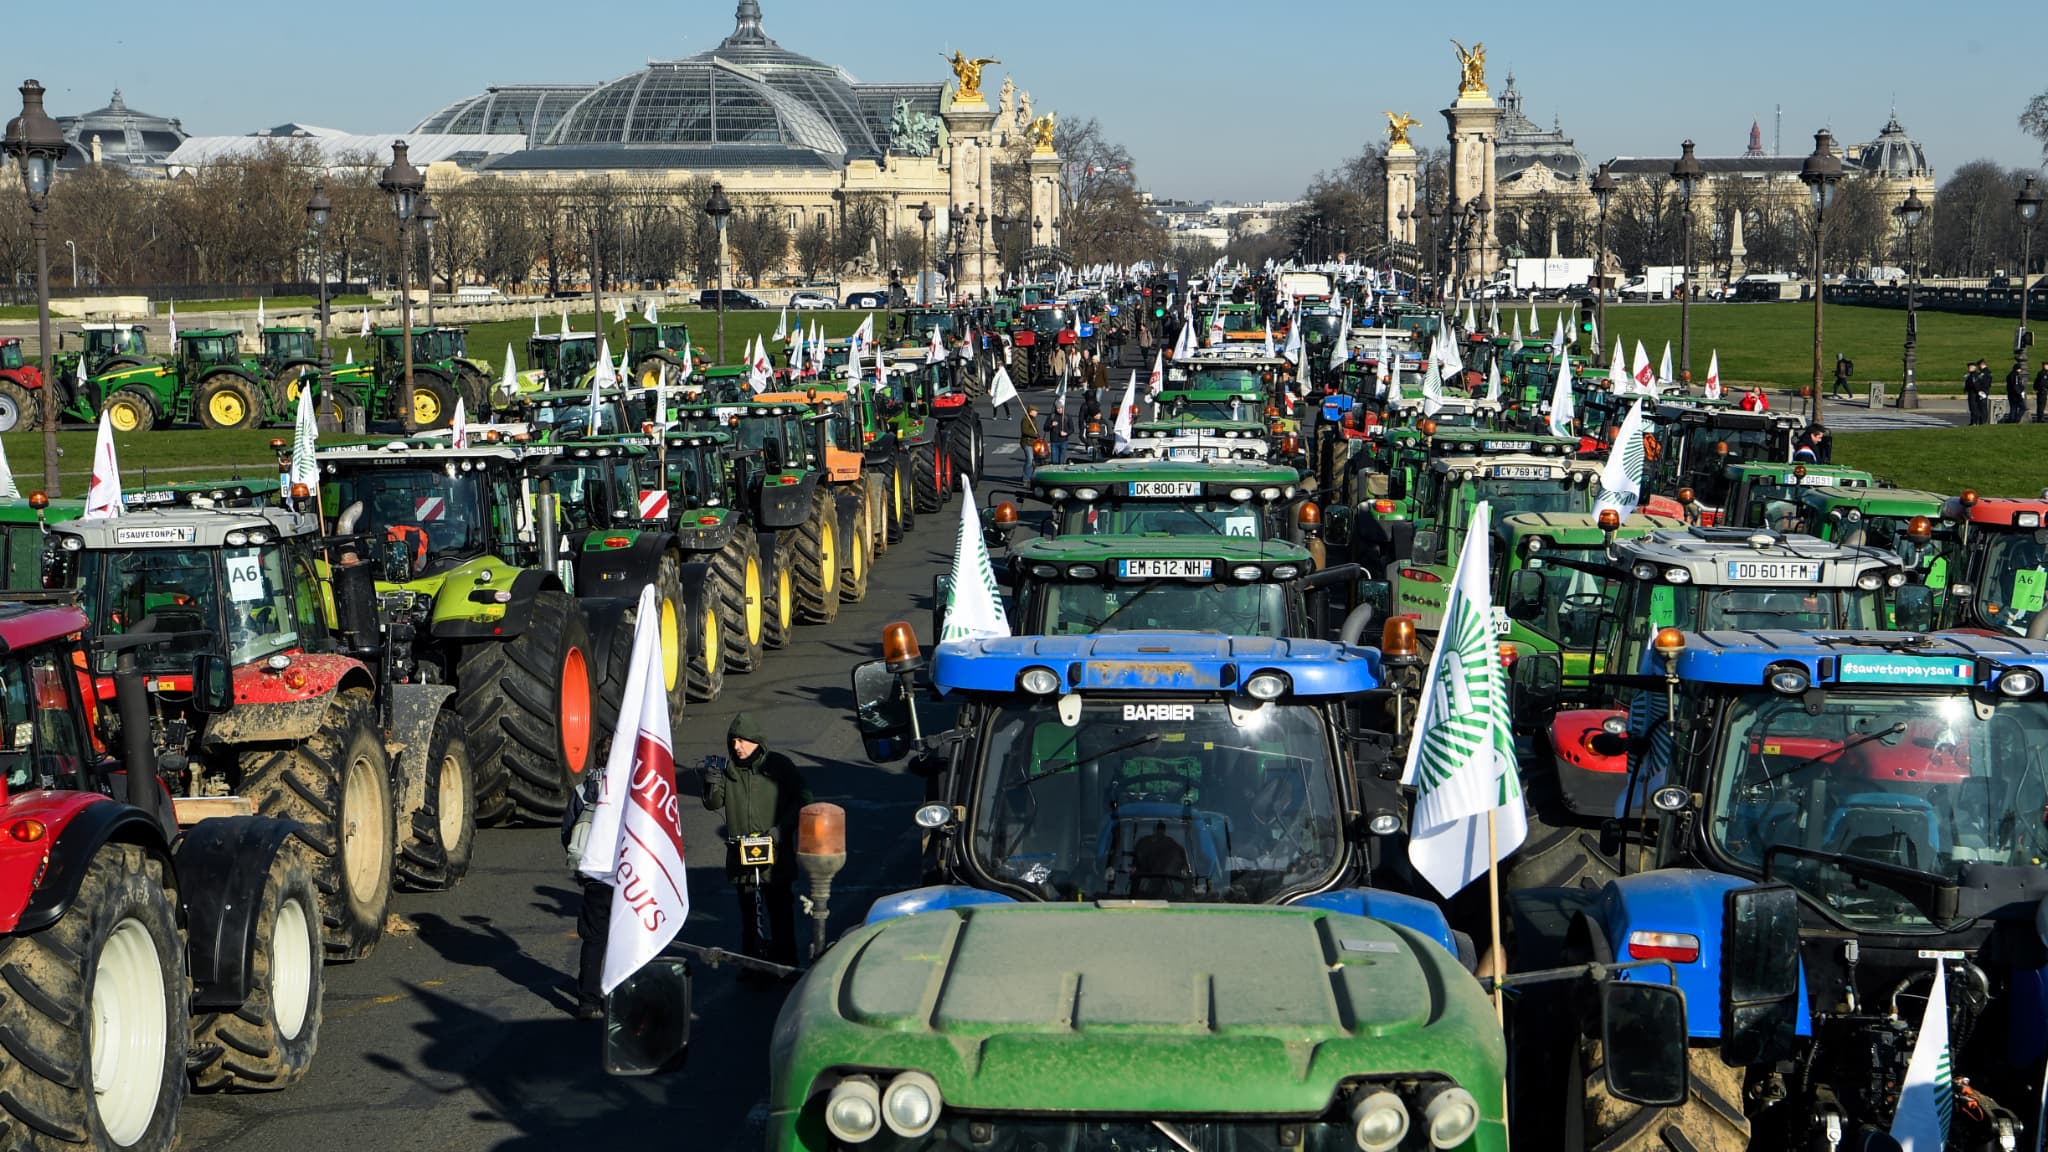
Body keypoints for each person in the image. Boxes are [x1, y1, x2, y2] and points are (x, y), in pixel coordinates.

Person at [701, 712, 812, 966]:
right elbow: (712, 803)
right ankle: (752, 963)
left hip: (776, 857)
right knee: (750, 914)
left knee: (780, 910)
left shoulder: (779, 766)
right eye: (733, 741)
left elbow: (803, 798)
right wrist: (712, 782)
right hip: (743, 857)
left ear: (756, 741)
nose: (736, 747)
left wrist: (779, 831)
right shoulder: (728, 771)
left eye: (742, 741)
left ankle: (786, 962)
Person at [1048, 400, 1075, 466]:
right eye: (1058, 408)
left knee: (1062, 462)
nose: (1059, 410)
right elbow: (1045, 428)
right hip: (1054, 442)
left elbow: (1072, 429)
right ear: (1055, 408)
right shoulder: (1052, 416)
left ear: (1063, 408)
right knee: (1054, 462)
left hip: (1064, 441)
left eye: (1061, 408)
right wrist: (1051, 425)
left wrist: (1066, 433)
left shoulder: (1067, 416)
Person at [1020, 405, 1041, 485]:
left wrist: (1037, 435)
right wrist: (1035, 435)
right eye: (1035, 411)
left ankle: (1031, 476)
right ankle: (1025, 479)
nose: (1037, 413)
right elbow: (1025, 431)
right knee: (1029, 460)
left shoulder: (1034, 419)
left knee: (1034, 462)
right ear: (1030, 411)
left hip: (1034, 443)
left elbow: (1035, 429)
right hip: (1027, 442)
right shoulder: (1025, 419)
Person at [1966, 359, 1991, 426]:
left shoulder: (1982, 373)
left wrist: (1979, 391)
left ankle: (1978, 422)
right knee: (1978, 408)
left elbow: (1977, 384)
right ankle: (1977, 422)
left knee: (1978, 408)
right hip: (1980, 392)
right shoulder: (1975, 374)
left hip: (1978, 393)